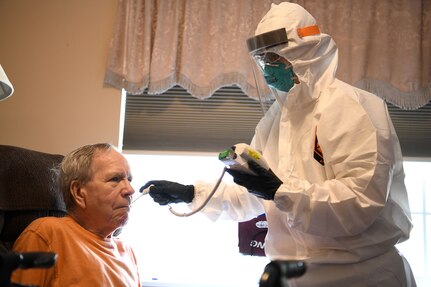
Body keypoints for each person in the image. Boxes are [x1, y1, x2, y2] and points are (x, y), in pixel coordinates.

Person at [141, 2, 416, 287]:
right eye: (261, 59)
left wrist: (281, 191)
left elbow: (360, 201)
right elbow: (255, 196)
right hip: (293, 276)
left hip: (360, 276)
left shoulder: (353, 108)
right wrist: (191, 194)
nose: (267, 69)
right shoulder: (276, 120)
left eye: (274, 58)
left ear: (304, 54)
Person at [12, 143, 141, 287]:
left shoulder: (128, 251)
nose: (130, 190)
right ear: (79, 192)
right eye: (115, 179)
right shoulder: (47, 234)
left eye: (128, 180)